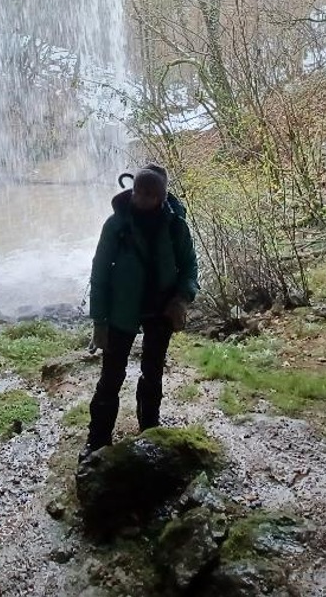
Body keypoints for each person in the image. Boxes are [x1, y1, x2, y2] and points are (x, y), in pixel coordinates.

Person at [82, 166, 198, 461]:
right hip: (121, 311)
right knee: (111, 376)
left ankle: (149, 431)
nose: (140, 199)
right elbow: (99, 274)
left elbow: (189, 267)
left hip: (161, 311)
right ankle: (97, 440)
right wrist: (100, 321)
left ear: (160, 196)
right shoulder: (116, 225)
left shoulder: (175, 226)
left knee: (153, 373)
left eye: (148, 194)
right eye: (137, 192)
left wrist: (182, 299)